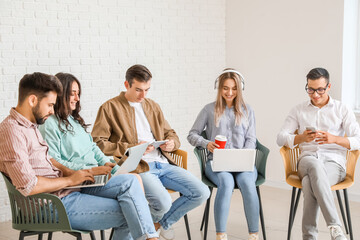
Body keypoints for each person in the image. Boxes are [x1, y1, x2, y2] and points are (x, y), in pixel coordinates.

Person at [0, 72, 159, 240]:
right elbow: (28, 185)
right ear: (33, 100)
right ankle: (151, 237)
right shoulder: (12, 131)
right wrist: (70, 180)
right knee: (135, 209)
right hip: (50, 205)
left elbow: (49, 159)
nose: (52, 110)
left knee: (132, 186)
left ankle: (149, 237)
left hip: (65, 192)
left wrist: (69, 172)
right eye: (50, 105)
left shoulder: (30, 126)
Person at [91, 64, 210, 239]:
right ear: (126, 85)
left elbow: (171, 133)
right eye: (138, 90)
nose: (143, 95)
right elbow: (97, 143)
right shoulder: (110, 108)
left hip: (163, 163)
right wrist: (132, 147)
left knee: (201, 192)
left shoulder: (152, 106)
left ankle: (155, 225)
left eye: (147, 90)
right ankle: (141, 226)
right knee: (163, 203)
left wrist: (172, 144)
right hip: (139, 168)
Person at [277, 67, 360, 240]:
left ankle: (309, 236)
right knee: (314, 166)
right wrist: (301, 138)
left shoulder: (341, 109)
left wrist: (334, 139)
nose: (315, 95)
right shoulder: (298, 110)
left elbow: (358, 140)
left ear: (329, 87)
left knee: (309, 183)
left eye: (320, 90)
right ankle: (335, 226)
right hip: (307, 161)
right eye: (310, 89)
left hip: (333, 164)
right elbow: (280, 138)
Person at [187, 68, 260, 240]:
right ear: (219, 88)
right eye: (225, 88)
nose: (229, 92)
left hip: (242, 163)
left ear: (239, 89)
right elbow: (192, 135)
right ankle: (220, 234)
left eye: (234, 88)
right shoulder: (208, 109)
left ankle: (254, 234)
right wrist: (207, 143)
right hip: (217, 163)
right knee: (226, 183)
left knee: (247, 183)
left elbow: (251, 138)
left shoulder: (248, 110)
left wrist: (244, 156)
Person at [38, 72, 120, 176]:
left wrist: (106, 163)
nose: (77, 99)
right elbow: (54, 162)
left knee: (131, 176)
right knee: (130, 181)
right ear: (60, 95)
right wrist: (90, 170)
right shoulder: (49, 123)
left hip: (96, 172)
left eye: (78, 93)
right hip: (81, 176)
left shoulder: (74, 119)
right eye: (72, 94)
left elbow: (92, 147)